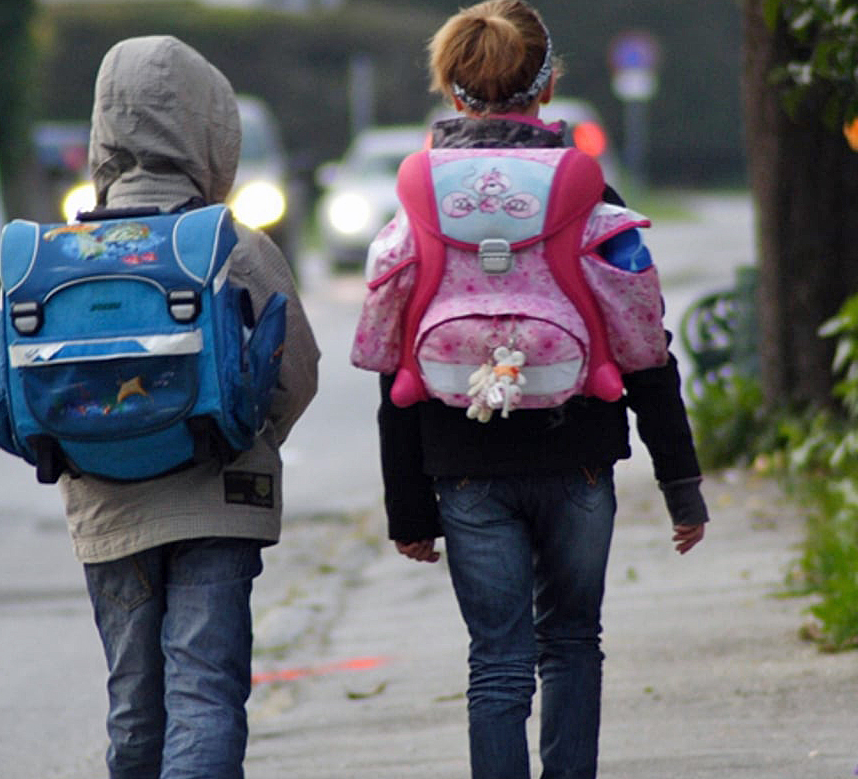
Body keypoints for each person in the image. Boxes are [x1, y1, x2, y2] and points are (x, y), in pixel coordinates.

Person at [350, 3, 707, 778]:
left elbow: (391, 364)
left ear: (452, 93)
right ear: (546, 90)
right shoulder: (587, 191)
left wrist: (408, 507)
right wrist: (681, 482)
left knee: (497, 662)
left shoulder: (417, 198)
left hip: (463, 461)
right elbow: (645, 345)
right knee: (573, 641)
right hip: (578, 456)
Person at [60, 36, 320, 779]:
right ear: (213, 127)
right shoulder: (233, 247)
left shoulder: (67, 252)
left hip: (107, 507)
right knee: (205, 693)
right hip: (217, 499)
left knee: (134, 706)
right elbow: (296, 370)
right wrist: (245, 433)